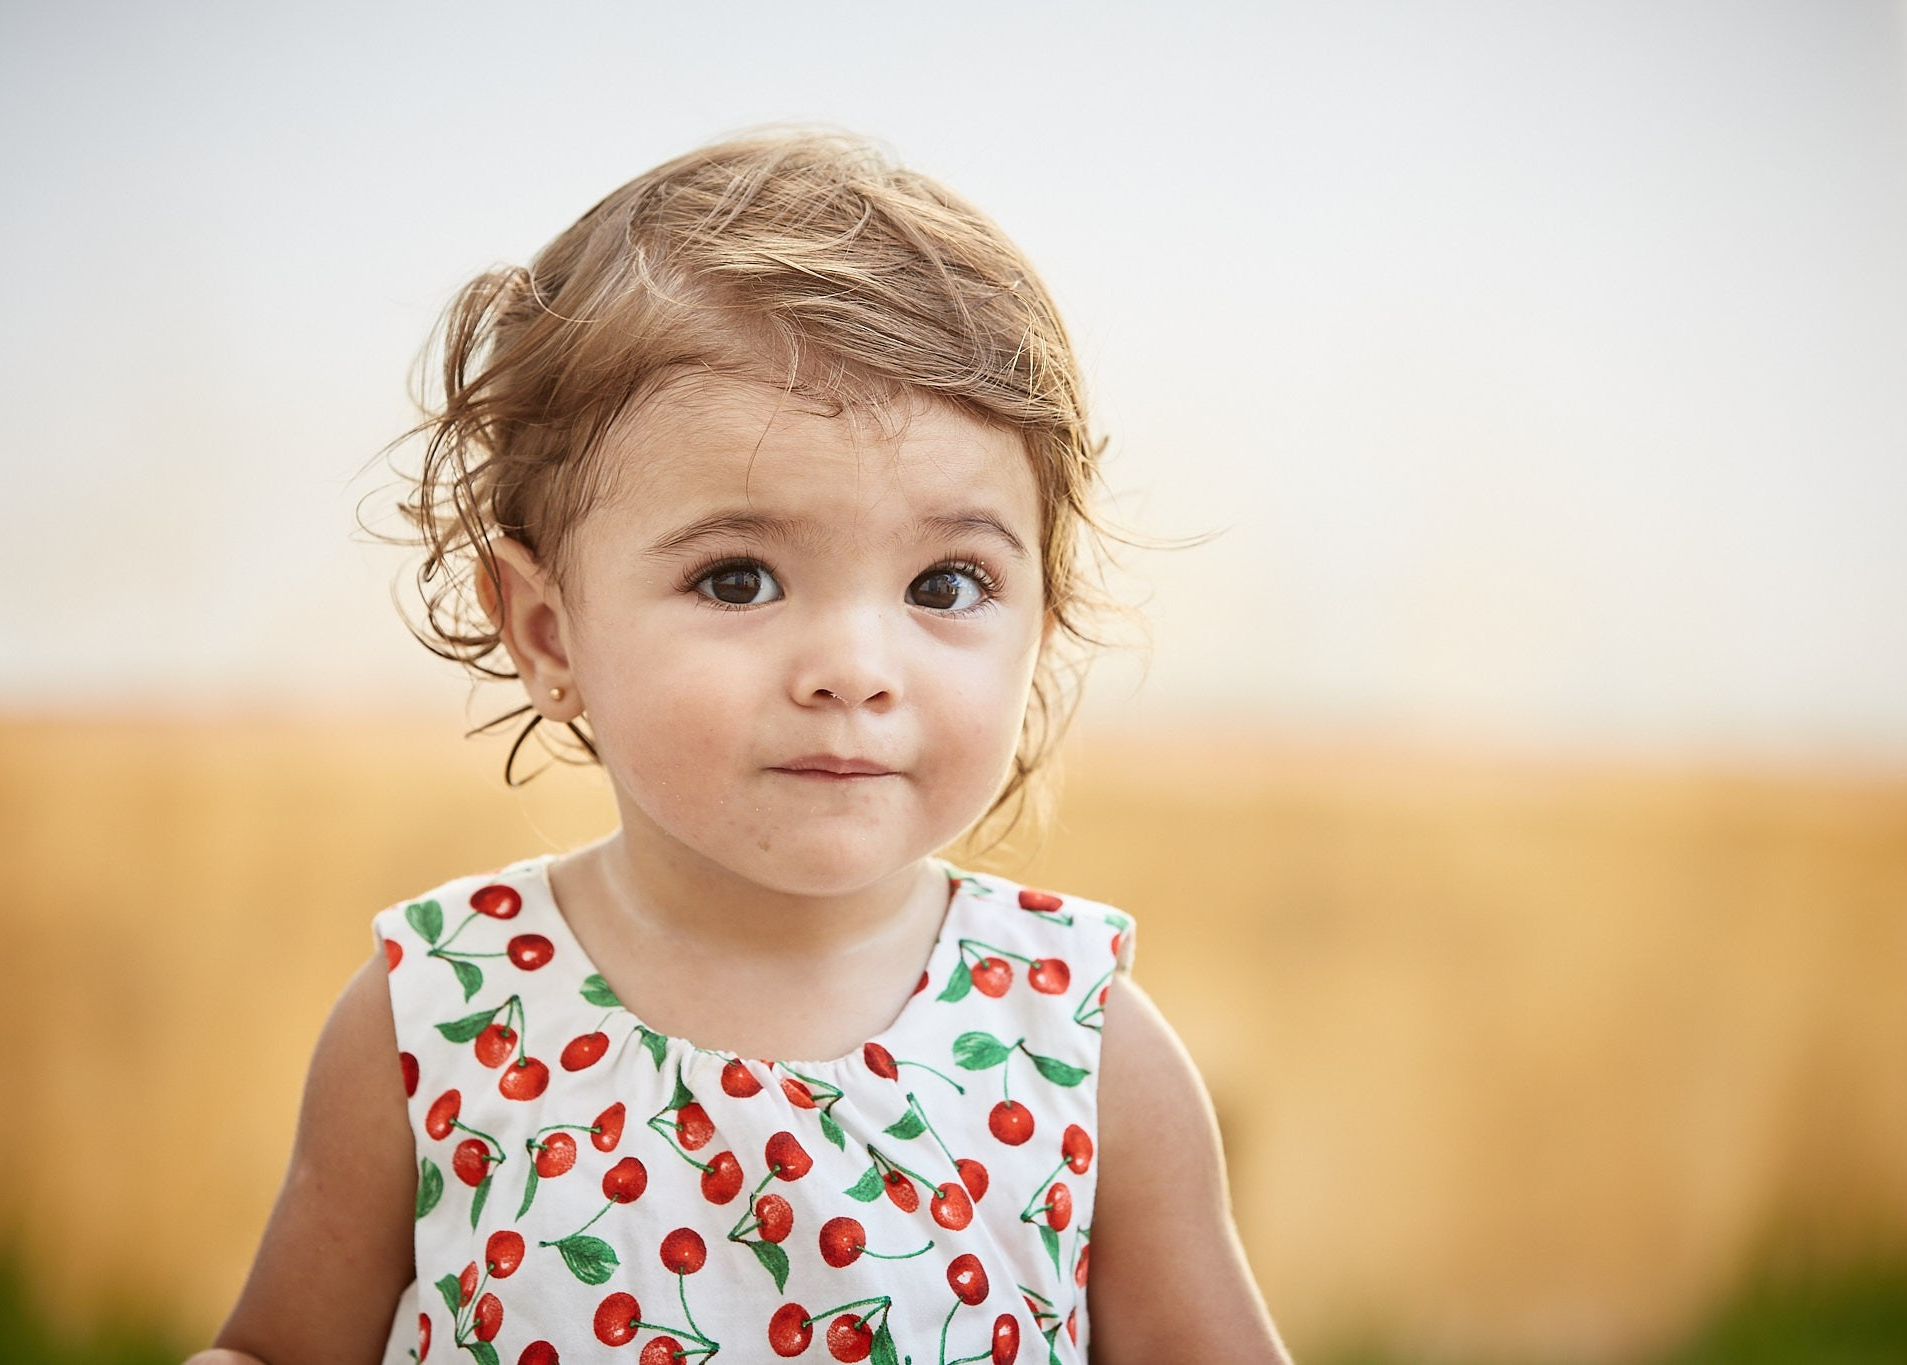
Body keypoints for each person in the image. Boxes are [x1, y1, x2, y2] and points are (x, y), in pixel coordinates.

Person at [189, 130, 1288, 1365]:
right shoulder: (441, 1016)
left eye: (944, 583)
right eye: (738, 576)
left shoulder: (1078, 1052)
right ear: (549, 631)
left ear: (1041, 615)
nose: (856, 668)